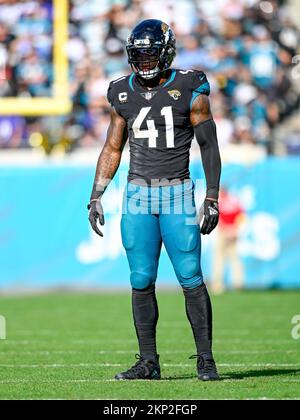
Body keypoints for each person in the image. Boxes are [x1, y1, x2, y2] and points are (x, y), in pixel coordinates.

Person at [88, 19, 221, 381]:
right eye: (139, 55)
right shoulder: (121, 92)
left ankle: (206, 359)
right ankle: (149, 362)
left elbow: (209, 144)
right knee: (141, 278)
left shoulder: (190, 87)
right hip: (136, 195)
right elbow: (113, 146)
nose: (145, 61)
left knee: (190, 276)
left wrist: (211, 196)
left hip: (176, 191)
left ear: (166, 52)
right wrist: (96, 194)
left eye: (151, 54)